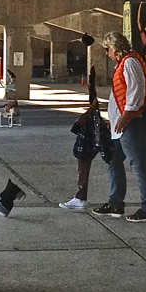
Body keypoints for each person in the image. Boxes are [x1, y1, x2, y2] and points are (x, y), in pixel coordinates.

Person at [79, 32, 146, 222]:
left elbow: (136, 92)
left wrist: (126, 116)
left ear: (115, 47)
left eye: (108, 49)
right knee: (113, 160)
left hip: (134, 122)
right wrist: (114, 119)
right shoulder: (122, 64)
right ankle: (115, 203)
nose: (107, 53)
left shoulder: (130, 62)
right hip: (122, 124)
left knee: (138, 165)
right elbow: (118, 97)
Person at [60, 66, 99, 210]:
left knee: (83, 160)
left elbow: (97, 101)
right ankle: (80, 196)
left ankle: (81, 196)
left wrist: (87, 114)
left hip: (98, 128)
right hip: (98, 126)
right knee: (84, 162)